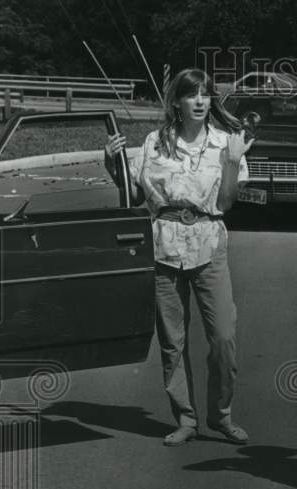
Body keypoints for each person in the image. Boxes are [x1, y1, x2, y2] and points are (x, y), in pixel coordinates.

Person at [104, 68, 253, 446]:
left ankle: (221, 416)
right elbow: (136, 198)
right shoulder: (154, 142)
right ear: (177, 102)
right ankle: (185, 418)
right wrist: (112, 165)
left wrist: (233, 163)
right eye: (192, 95)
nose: (201, 101)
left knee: (223, 338)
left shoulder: (225, 144)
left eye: (206, 94)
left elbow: (225, 203)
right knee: (172, 342)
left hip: (209, 244)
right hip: (164, 248)